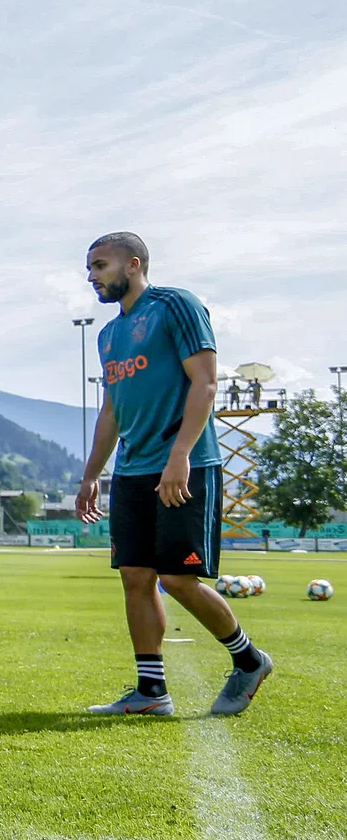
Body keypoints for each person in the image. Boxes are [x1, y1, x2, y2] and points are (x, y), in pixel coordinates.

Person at [78, 232, 272, 716]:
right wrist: (91, 476)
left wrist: (179, 455)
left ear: (133, 264)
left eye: (100, 266)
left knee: (178, 578)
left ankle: (249, 660)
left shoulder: (176, 305)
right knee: (135, 576)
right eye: (90, 268)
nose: (92, 277)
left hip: (185, 464)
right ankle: (151, 693)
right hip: (132, 470)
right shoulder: (108, 336)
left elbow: (205, 383)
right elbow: (111, 411)